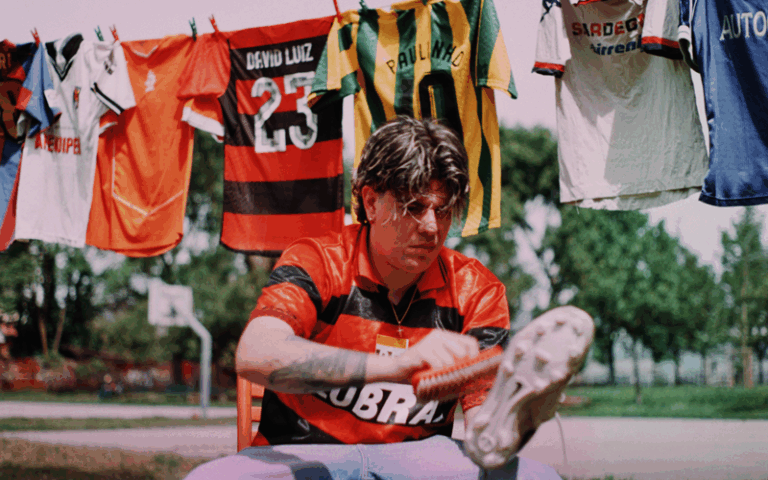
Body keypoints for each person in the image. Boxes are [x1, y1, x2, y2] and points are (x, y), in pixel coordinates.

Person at [185, 116, 593, 480]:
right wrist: (397, 367)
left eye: (443, 210)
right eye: (414, 207)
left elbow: (485, 432)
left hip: (419, 462)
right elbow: (255, 354)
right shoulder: (318, 260)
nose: (431, 227)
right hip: (305, 454)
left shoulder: (476, 289)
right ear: (370, 202)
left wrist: (523, 410)